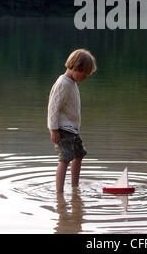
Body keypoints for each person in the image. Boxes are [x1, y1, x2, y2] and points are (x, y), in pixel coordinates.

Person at [47, 49, 97, 193]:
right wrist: (54, 130)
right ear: (75, 68)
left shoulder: (71, 83)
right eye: (84, 75)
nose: (84, 78)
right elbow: (53, 108)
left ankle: (75, 186)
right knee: (65, 159)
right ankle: (59, 193)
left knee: (79, 154)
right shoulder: (63, 84)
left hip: (72, 130)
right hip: (62, 130)